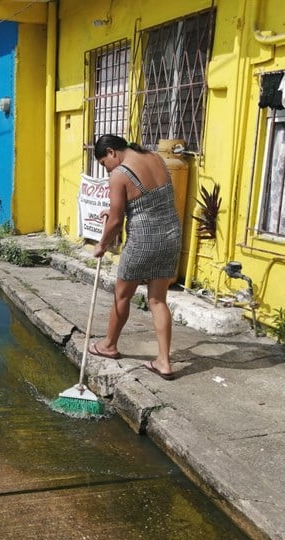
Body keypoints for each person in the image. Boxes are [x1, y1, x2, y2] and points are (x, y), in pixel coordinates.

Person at [88, 134, 182, 380]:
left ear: (111, 152)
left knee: (122, 295)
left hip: (143, 240)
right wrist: (114, 210)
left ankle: (109, 345)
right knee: (158, 301)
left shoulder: (119, 174)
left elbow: (116, 221)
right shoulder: (156, 157)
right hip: (171, 236)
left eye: (103, 163)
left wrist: (102, 244)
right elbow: (146, 201)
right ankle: (164, 362)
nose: (105, 168)